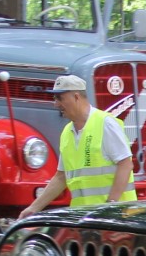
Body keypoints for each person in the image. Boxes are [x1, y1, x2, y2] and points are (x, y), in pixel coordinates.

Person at [21, 75, 135, 217]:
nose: (55, 104)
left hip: (115, 218)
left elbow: (125, 164)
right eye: (54, 99)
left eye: (59, 98)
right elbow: (61, 177)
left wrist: (110, 206)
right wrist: (33, 209)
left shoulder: (105, 123)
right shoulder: (67, 133)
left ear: (76, 97)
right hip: (85, 218)